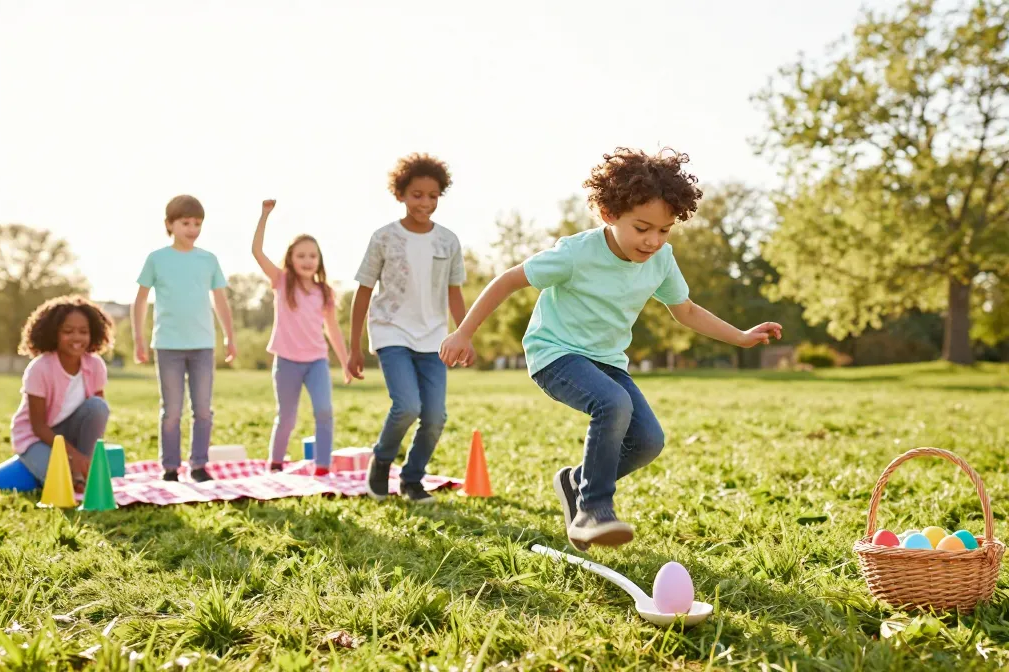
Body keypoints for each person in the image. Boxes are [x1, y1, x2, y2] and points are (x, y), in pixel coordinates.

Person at [440, 148, 782, 549]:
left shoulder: (661, 259)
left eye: (664, 230)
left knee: (648, 441)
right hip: (555, 354)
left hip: (607, 362)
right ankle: (592, 510)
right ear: (608, 214)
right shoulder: (576, 253)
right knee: (613, 404)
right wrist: (463, 332)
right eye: (642, 228)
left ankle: (576, 481)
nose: (653, 240)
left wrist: (740, 337)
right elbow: (506, 281)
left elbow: (685, 310)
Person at [348, 153, 474, 504]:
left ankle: (411, 479)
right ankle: (382, 459)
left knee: (434, 416)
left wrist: (464, 334)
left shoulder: (448, 241)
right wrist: (354, 347)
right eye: (417, 194)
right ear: (401, 194)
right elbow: (363, 291)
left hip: (434, 337)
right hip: (391, 331)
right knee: (406, 406)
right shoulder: (384, 238)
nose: (425, 202)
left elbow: (455, 292)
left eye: (433, 196)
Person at [131, 194, 236, 482]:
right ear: (169, 224)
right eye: (185, 223)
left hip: (203, 345)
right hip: (167, 346)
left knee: (203, 409)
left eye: (197, 223)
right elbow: (140, 300)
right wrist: (138, 339)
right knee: (172, 411)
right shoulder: (157, 259)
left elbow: (221, 301)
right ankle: (170, 468)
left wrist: (229, 336)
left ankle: (199, 466)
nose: (192, 228)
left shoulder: (208, 260)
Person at [251, 199, 351, 475]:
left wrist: (344, 363)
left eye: (312, 256)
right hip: (286, 361)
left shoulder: (325, 292)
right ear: (291, 259)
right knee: (287, 417)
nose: (307, 261)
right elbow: (256, 251)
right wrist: (264, 216)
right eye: (301, 256)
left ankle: (322, 467)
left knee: (324, 411)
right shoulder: (281, 282)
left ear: (319, 260)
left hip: (316, 361)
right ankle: (275, 464)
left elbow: (332, 330)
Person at [10, 295, 114, 492]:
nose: (77, 337)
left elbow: (97, 417)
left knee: (98, 407)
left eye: (83, 332)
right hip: (37, 438)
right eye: (68, 331)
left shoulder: (95, 365)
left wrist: (84, 458)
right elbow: (39, 426)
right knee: (61, 484)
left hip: (71, 435)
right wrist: (73, 456)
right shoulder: (40, 368)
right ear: (54, 333)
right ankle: (71, 471)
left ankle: (81, 470)